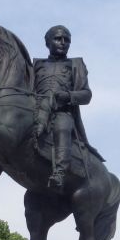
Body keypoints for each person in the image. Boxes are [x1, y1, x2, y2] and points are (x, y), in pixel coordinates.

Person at [33, 25, 92, 191]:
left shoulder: (76, 64)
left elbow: (86, 95)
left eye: (67, 40)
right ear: (47, 42)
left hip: (61, 111)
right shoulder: (36, 64)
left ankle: (59, 173)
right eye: (58, 39)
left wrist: (68, 96)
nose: (63, 42)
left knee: (62, 128)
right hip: (36, 110)